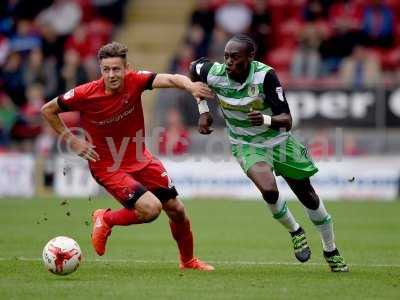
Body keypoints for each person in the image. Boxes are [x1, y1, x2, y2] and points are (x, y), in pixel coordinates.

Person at [41, 41, 215, 271]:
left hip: (141, 159)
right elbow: (48, 110)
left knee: (177, 210)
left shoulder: (136, 81)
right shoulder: (85, 94)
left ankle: (188, 261)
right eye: (106, 69)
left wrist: (191, 86)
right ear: (100, 70)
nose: (111, 74)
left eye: (116, 69)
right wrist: (73, 140)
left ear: (126, 68)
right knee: (151, 209)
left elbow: (172, 78)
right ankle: (106, 218)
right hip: (108, 166)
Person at [189, 34, 348, 272]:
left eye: (235, 57)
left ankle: (330, 249)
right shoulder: (214, 72)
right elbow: (193, 69)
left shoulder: (265, 76)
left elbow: (287, 120)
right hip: (246, 144)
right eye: (226, 56)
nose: (229, 62)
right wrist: (203, 110)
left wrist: (264, 119)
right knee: (269, 190)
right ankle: (295, 231)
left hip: (280, 142)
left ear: (251, 57)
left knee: (309, 198)